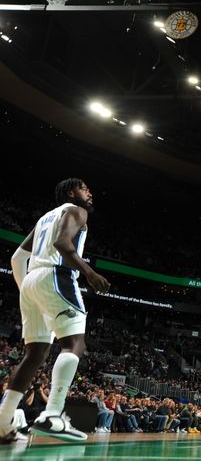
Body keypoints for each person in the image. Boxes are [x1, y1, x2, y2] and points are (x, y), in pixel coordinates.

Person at [0, 178, 111, 443]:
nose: (90, 192)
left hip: (31, 280)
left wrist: (26, 289)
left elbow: (17, 258)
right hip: (56, 275)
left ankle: (3, 423)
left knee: (35, 354)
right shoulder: (76, 211)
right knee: (74, 344)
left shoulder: (43, 219)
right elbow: (63, 244)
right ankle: (53, 414)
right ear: (72, 193)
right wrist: (89, 272)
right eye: (85, 188)